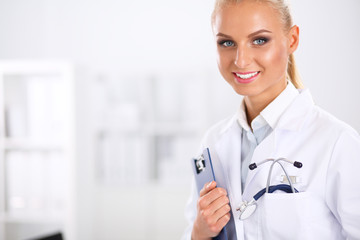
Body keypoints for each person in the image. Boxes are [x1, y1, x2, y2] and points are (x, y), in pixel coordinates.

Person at [182, 0, 360, 239]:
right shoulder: (213, 141)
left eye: (259, 40)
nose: (241, 60)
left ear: (292, 40)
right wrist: (199, 233)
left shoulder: (338, 143)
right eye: (227, 42)